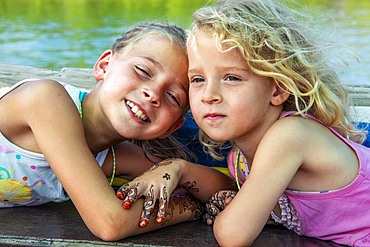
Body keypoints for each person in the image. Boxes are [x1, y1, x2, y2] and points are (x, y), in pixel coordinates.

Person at [117, 0, 370, 246]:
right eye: (197, 79)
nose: (209, 95)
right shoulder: (239, 159)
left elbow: (232, 235)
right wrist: (178, 169)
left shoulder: (291, 135)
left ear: (278, 89)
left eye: (231, 78)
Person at [0, 22, 209, 241]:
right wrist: (191, 208)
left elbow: (221, 188)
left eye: (173, 96)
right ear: (104, 65)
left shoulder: (115, 158)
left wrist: (179, 169)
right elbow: (111, 223)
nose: (153, 94)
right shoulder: (45, 99)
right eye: (143, 71)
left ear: (171, 127)